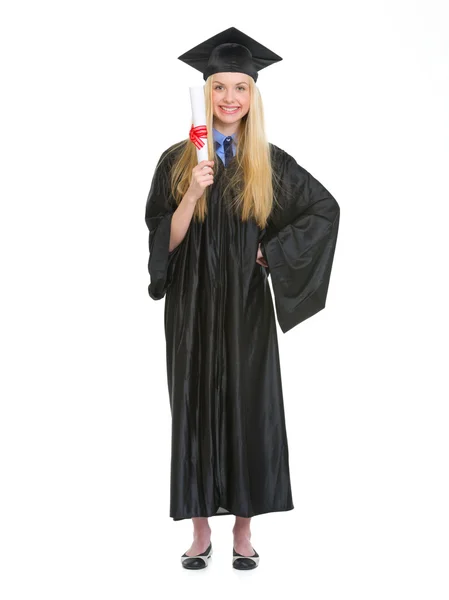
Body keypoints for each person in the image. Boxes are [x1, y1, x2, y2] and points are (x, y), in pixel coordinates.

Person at [144, 27, 340, 570]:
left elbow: (324, 211)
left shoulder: (269, 163)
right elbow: (164, 239)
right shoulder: (176, 162)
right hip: (191, 309)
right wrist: (192, 193)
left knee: (249, 408)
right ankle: (200, 531)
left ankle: (244, 532)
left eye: (241, 87)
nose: (230, 97)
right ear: (205, 93)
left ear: (253, 95)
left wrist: (269, 255)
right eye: (219, 87)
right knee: (193, 407)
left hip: (247, 310)